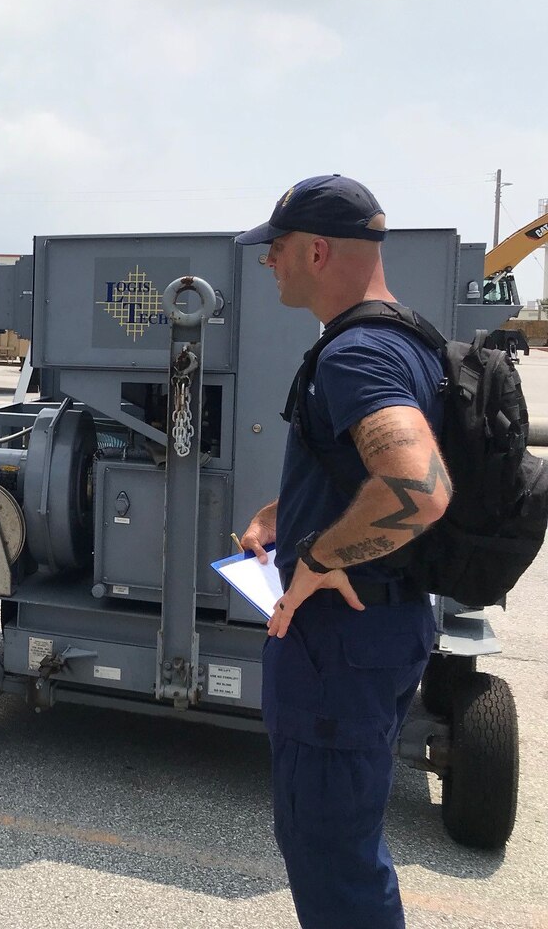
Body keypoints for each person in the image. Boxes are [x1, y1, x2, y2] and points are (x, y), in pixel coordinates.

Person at [235, 175, 451, 929]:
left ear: (317, 251)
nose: (269, 264)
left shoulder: (354, 355)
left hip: (340, 652)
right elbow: (363, 466)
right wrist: (286, 515)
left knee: (331, 856)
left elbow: (419, 486)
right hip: (380, 638)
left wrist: (319, 559)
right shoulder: (403, 334)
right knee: (345, 845)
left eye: (277, 249)